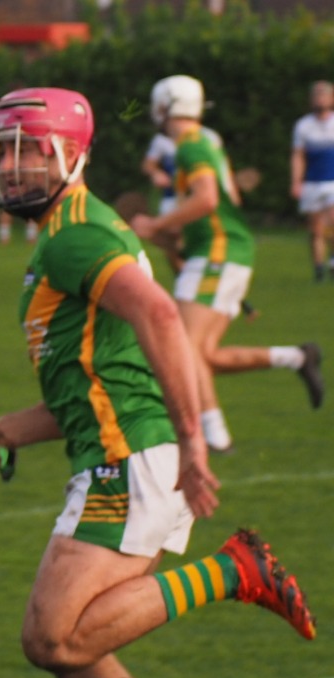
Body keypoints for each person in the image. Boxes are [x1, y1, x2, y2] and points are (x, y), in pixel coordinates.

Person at [0, 87, 316, 678]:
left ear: (71, 157)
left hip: (128, 463)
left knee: (51, 636)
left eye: (29, 152)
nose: (13, 168)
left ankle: (233, 571)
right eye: (5, 154)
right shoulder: (69, 234)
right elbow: (95, 380)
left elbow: (160, 315)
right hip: (120, 454)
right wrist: (7, 429)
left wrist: (193, 441)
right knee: (74, 644)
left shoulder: (75, 237)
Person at [129, 76, 322, 454]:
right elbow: (201, 218)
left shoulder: (190, 146)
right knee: (204, 354)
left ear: (166, 106)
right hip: (222, 252)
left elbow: (207, 200)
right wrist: (157, 233)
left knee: (183, 347)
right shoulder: (202, 143)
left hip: (219, 253)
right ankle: (297, 357)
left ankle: (215, 437)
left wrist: (155, 224)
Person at [290, 80, 334, 282]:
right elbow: (298, 155)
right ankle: (319, 268)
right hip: (312, 183)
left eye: (324, 95)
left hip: (332, 181)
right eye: (316, 95)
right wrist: (296, 181)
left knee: (332, 221)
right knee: (315, 229)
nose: (320, 99)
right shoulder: (303, 125)